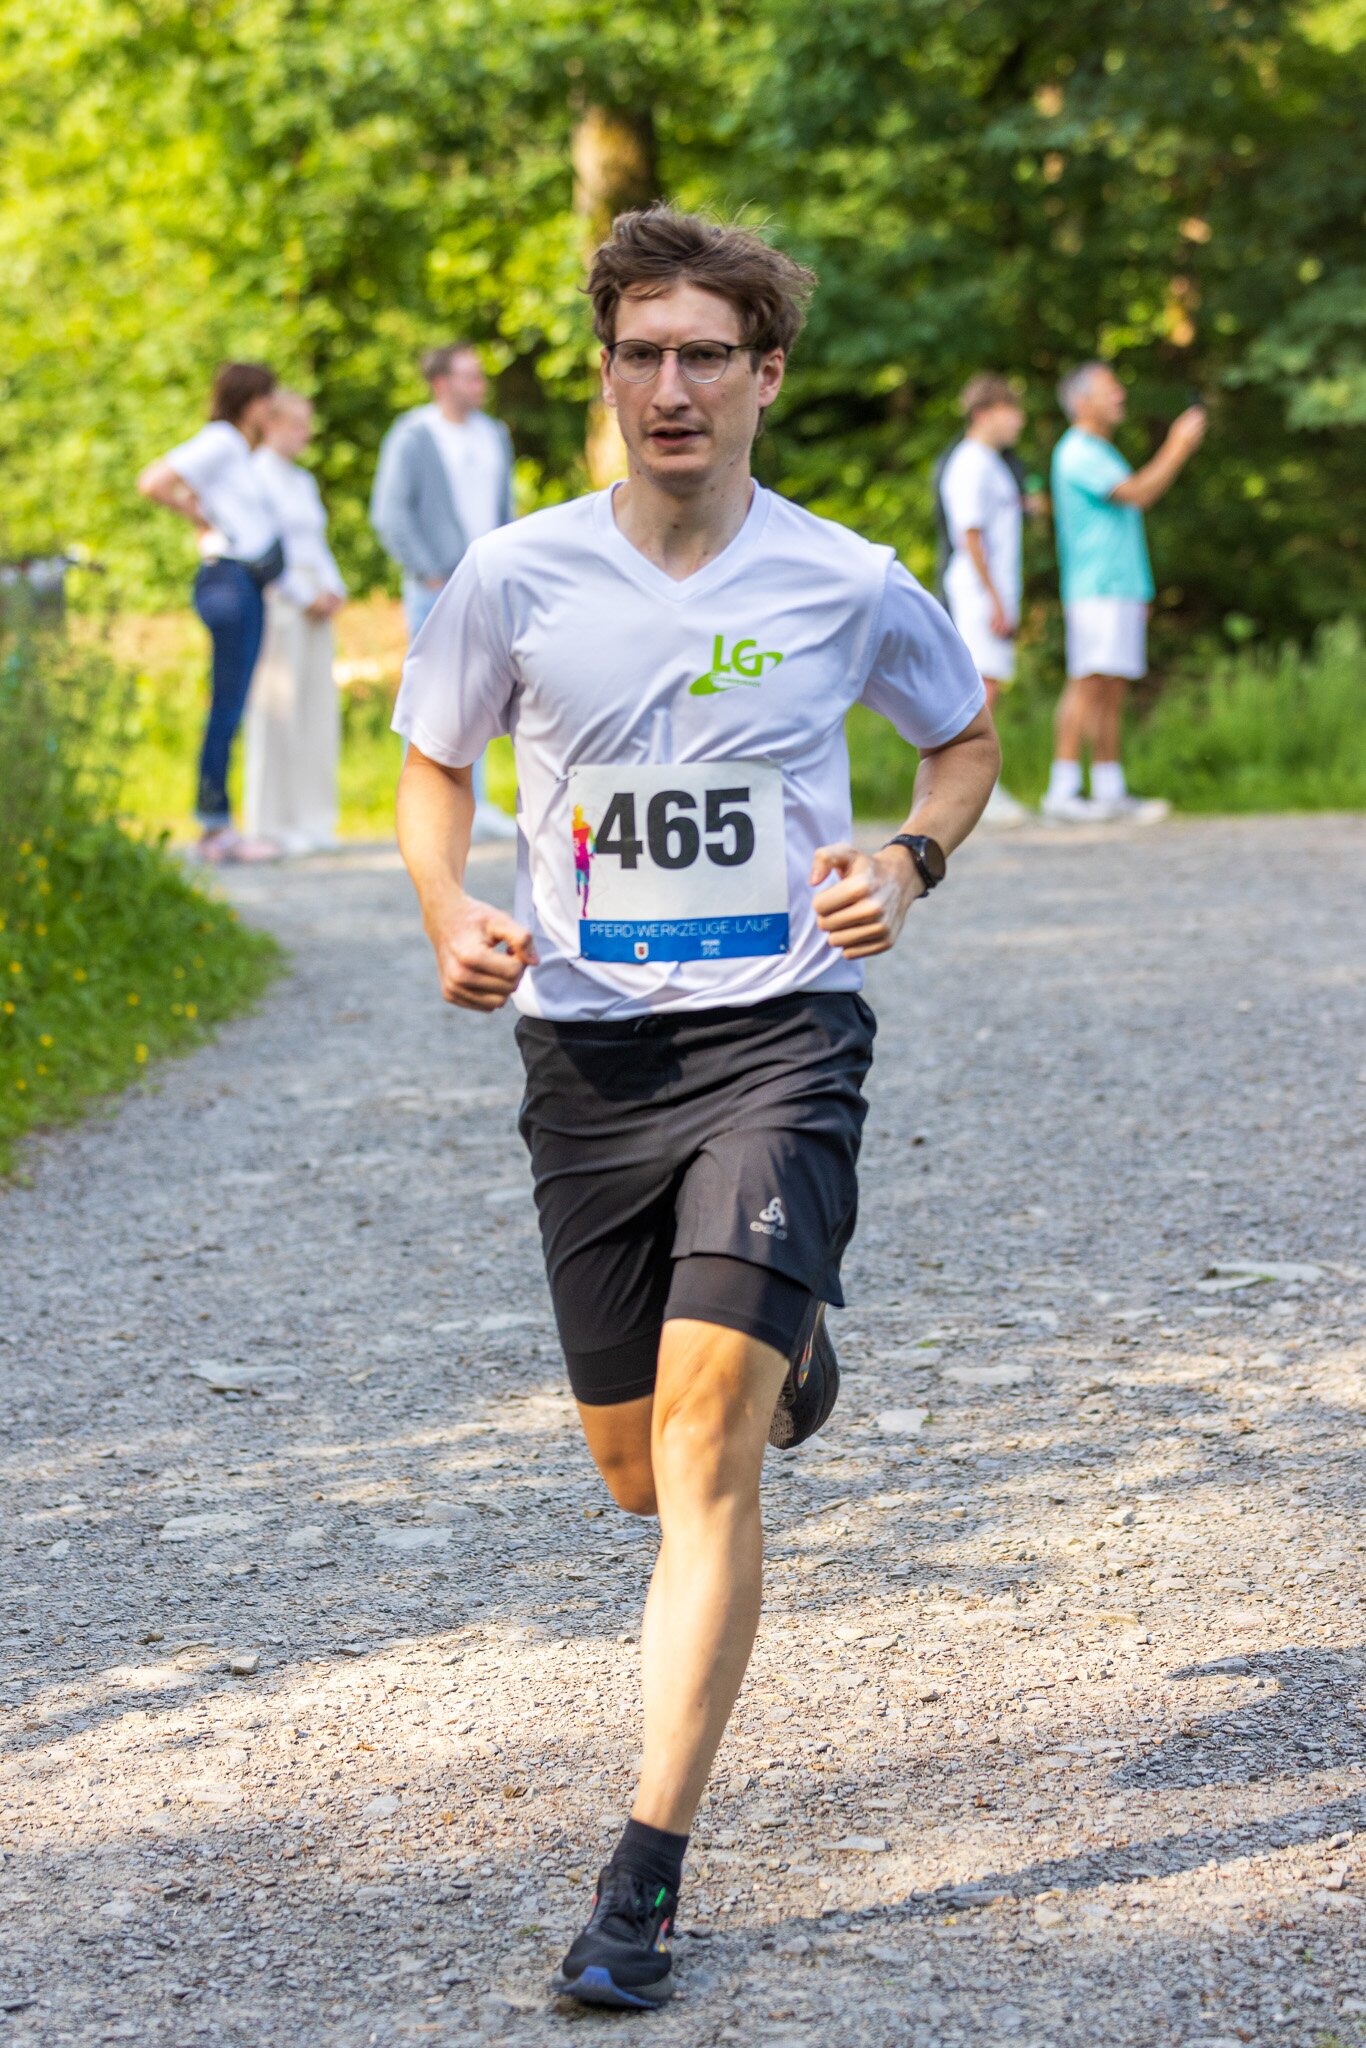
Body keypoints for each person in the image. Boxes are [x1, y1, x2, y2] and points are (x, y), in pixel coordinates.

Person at [392, 203, 999, 2012]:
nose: (673, 386)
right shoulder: (513, 575)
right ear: (606, 373)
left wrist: (908, 857)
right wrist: (444, 906)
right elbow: (431, 763)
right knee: (632, 1464)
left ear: (764, 377)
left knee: (705, 1442)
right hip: (589, 1062)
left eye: (706, 356)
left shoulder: (842, 578)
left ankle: (641, 1876)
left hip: (780, 1038)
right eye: (642, 353)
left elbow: (962, 743)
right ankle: (786, 1346)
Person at [1043, 362, 1206, 823]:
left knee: (1112, 688)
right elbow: (1138, 493)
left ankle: (1108, 790)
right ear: (1081, 403)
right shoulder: (1077, 451)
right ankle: (1063, 791)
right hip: (1096, 587)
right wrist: (1177, 446)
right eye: (1109, 390)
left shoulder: (1102, 450)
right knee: (1088, 682)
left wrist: (1140, 589)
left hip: (1121, 586)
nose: (1120, 396)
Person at [138, 363, 286, 862]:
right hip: (230, 580)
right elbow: (153, 481)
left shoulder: (240, 450)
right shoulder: (222, 440)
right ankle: (215, 827)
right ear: (252, 401)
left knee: (231, 703)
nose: (273, 407)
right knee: (226, 705)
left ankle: (218, 822)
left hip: (245, 582)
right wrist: (199, 518)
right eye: (268, 398)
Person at [370, 343, 518, 843]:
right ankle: (426, 811)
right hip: (435, 589)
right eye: (469, 376)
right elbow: (390, 513)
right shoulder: (414, 435)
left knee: (487, 695)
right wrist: (429, 571)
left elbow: (504, 510)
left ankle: (476, 804)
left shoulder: (494, 435)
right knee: (432, 703)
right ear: (441, 383)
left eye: (480, 375)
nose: (480, 385)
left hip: (489, 585)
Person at [244, 391, 346, 853]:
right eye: (296, 424)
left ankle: (314, 817)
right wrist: (305, 596)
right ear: (272, 424)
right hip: (282, 598)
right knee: (278, 709)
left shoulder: (302, 480)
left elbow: (315, 542)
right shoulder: (255, 476)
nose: (305, 434)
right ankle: (273, 821)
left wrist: (333, 587)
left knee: (316, 709)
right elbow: (261, 548)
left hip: (316, 597)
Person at [936, 373, 1033, 824]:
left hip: (991, 591)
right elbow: (970, 535)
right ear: (983, 414)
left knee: (989, 686)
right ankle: (976, 790)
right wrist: (994, 599)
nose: (1018, 421)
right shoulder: (971, 462)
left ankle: (978, 787)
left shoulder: (991, 463)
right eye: (1009, 411)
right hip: (979, 593)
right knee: (981, 690)